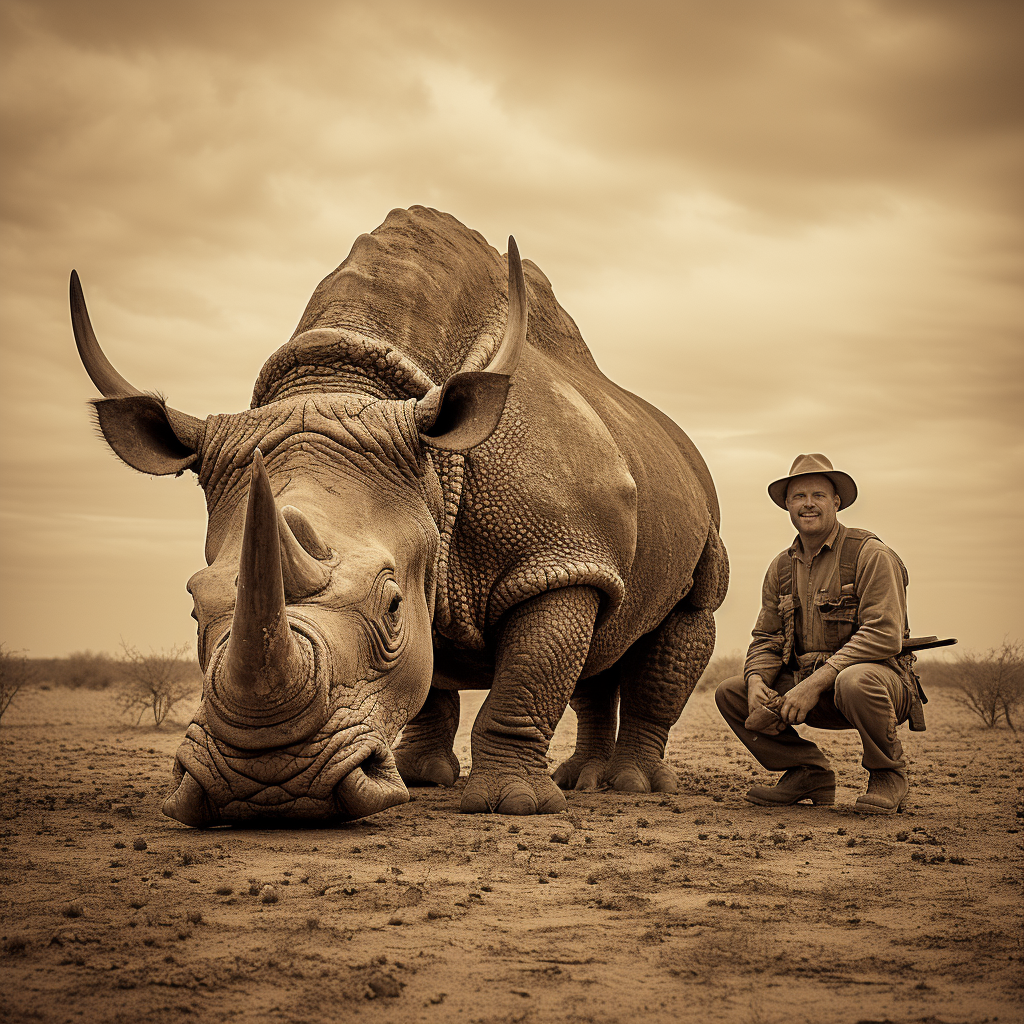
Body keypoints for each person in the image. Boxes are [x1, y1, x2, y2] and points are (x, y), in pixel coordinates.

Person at [715, 454, 924, 815]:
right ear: (787, 505)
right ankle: (808, 773)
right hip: (807, 690)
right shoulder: (781, 567)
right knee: (730, 692)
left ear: (836, 502)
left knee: (855, 680)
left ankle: (888, 774)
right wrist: (755, 683)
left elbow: (883, 635)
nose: (808, 504)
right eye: (798, 496)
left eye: (818, 495)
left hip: (878, 687)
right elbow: (766, 638)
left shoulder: (870, 554)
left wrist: (814, 685)